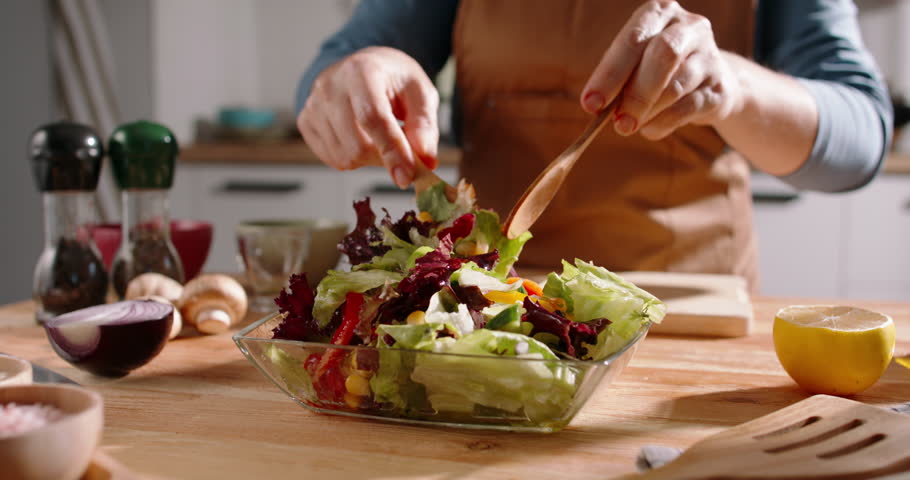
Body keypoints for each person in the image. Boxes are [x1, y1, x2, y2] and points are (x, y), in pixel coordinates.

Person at [295, 0, 893, 291]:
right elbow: (330, 70)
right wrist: (351, 75)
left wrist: (735, 86)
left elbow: (860, 139)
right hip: (481, 310)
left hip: (684, 307)